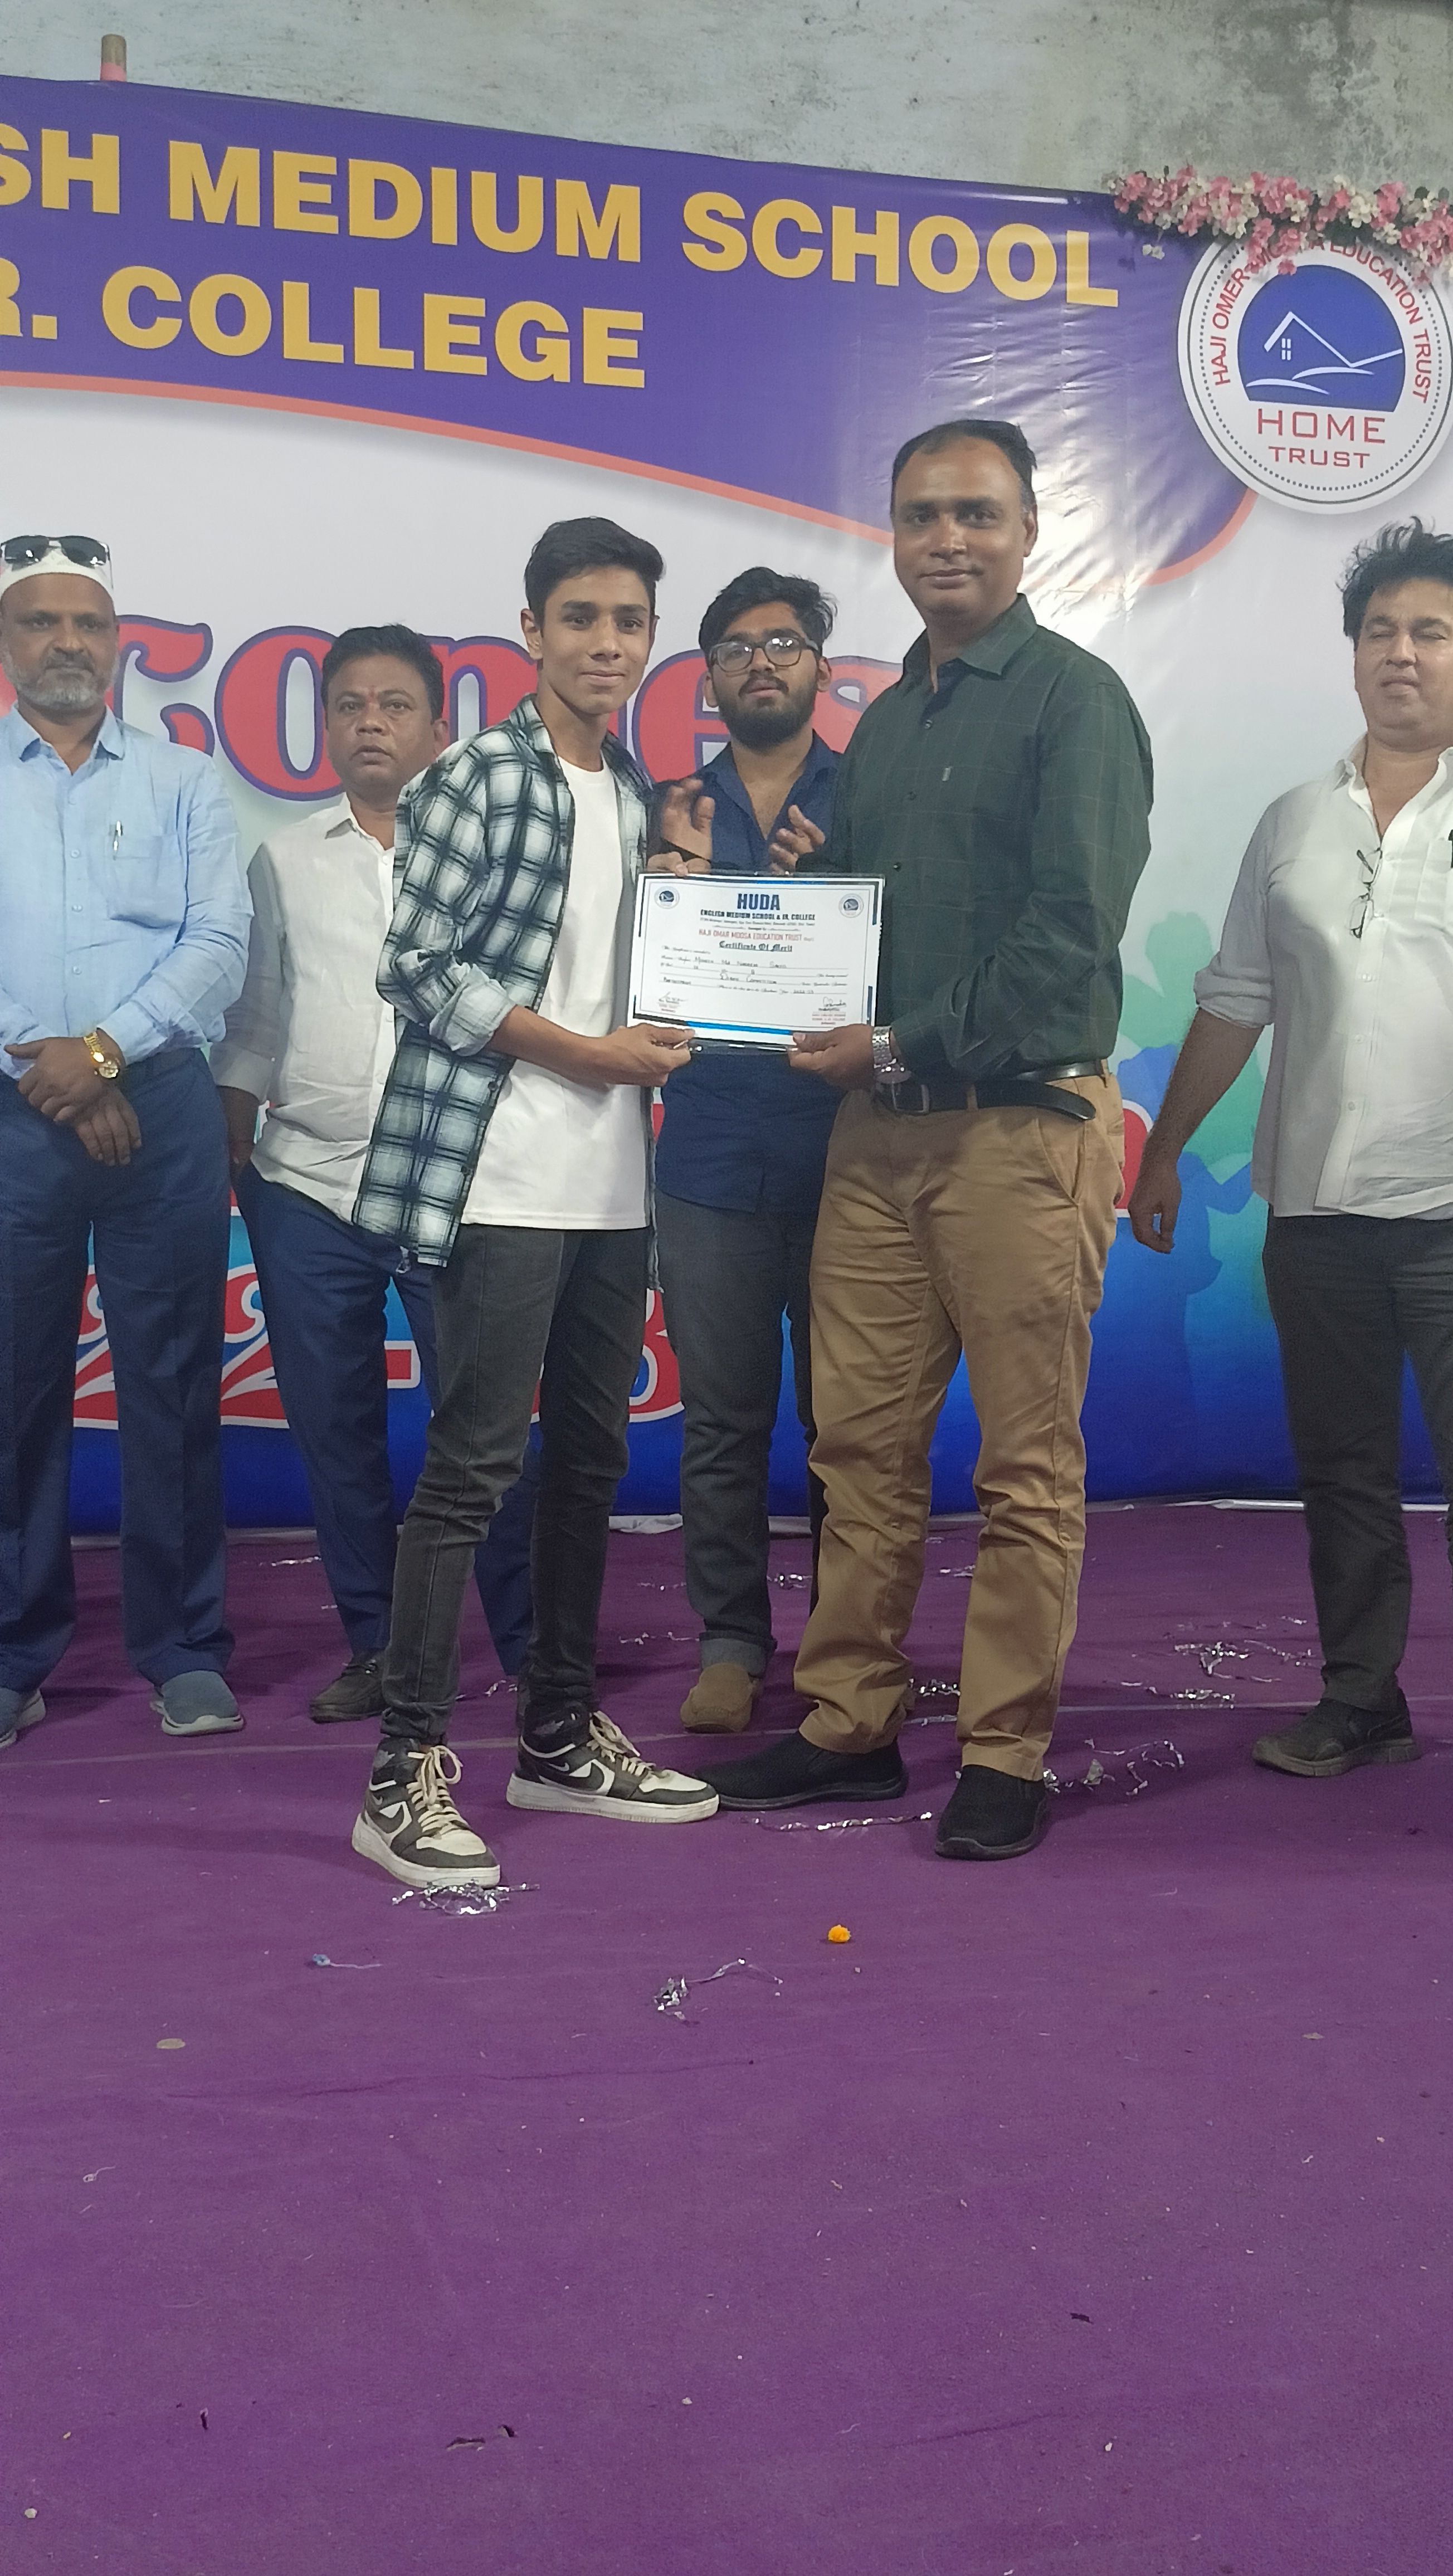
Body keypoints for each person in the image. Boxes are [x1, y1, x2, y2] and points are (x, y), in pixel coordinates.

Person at [694, 419, 1153, 1860]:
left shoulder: (1077, 702)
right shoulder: (889, 723)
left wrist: (889, 1041)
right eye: (920, 516)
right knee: (859, 1450)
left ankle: (1005, 1749)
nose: (947, 539)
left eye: (976, 514)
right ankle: (848, 1722)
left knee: (1024, 1464)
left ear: (1028, 532)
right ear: (890, 536)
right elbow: (856, 934)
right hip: (875, 1140)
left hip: (1019, 1133)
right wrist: (749, 921)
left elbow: (1066, 952)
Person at [350, 518, 719, 1890]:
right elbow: (415, 965)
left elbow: (642, 988)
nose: (605, 643)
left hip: (612, 1186)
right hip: (496, 1173)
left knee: (589, 1466)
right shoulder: (477, 776)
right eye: (579, 618)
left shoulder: (634, 792)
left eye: (627, 620)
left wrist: (688, 904)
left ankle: (555, 1736)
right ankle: (400, 1769)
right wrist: (583, 1053)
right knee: (470, 1471)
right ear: (531, 631)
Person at [1129, 518, 1453, 1781]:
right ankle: (1361, 1698)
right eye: (1379, 632)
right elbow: (1234, 998)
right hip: (1315, 1213)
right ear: (1351, 652)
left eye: (1430, 632)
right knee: (1343, 1472)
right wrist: (1164, 1153)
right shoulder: (1292, 820)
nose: (1400, 654)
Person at [211, 624, 540, 1724]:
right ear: (325, 727)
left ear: (439, 729)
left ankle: (534, 1649)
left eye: (394, 705)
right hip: (305, 1183)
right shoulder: (285, 859)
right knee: (334, 1429)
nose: (369, 724)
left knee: (485, 1429)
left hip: (459, 1180)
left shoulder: (494, 856)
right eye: (348, 705)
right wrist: (232, 1126)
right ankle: (377, 1646)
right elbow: (257, 1013)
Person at [0, 533, 250, 1746]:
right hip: (13, 1112)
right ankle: (13, 1651)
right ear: (7, 643)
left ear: (117, 645)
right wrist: (45, 1062)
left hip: (160, 1109)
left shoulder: (183, 779)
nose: (67, 643)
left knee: (173, 1379)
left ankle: (184, 1646)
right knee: (13, 1386)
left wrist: (101, 1052)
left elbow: (219, 942)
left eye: (88, 624)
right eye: (40, 621)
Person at [646, 568, 842, 1734]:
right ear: (708, 675)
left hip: (847, 1157)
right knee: (722, 1420)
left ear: (821, 664)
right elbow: (631, 974)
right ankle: (730, 1639)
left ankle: (843, 1640)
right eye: (733, 647)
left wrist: (820, 903)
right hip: (710, 1154)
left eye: (781, 642)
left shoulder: (867, 798)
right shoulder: (670, 807)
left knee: (843, 1424)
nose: (758, 662)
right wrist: (668, 890)